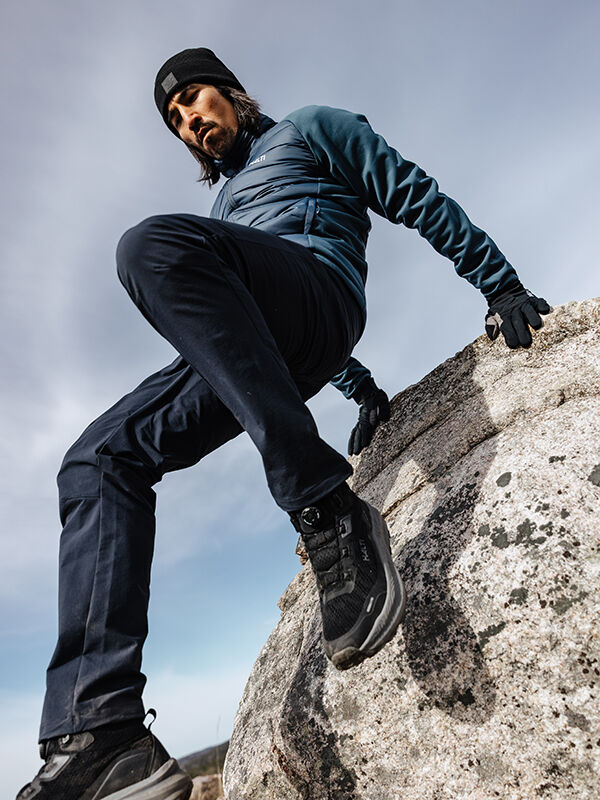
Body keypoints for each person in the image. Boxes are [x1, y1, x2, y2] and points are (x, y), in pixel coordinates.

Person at [17, 47, 550, 800]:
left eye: (195, 99)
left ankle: (328, 507)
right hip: (270, 341)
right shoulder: (219, 214)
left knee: (147, 246)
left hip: (320, 296)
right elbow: (242, 342)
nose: (189, 121)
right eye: (174, 120)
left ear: (232, 92)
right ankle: (101, 728)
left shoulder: (310, 129)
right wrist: (363, 392)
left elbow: (413, 193)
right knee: (96, 459)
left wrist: (501, 285)